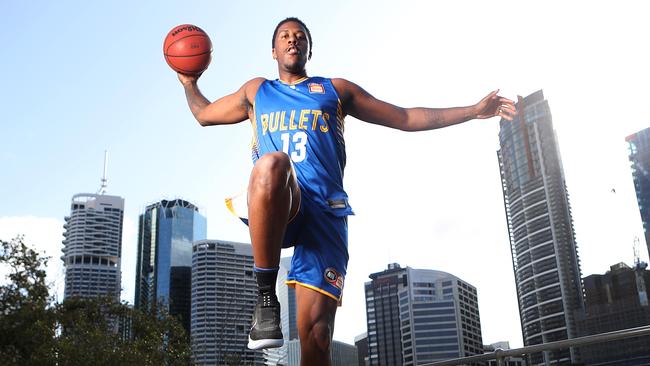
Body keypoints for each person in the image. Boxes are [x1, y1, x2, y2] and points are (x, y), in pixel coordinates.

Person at [178, 17, 516, 366]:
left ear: (309, 48)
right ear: (274, 50)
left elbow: (405, 117)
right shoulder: (256, 91)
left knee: (318, 336)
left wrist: (473, 111)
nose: (293, 41)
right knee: (271, 164)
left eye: (300, 37)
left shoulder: (335, 90)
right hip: (281, 202)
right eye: (285, 36)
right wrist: (189, 83)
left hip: (326, 211)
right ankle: (266, 301)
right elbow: (204, 114)